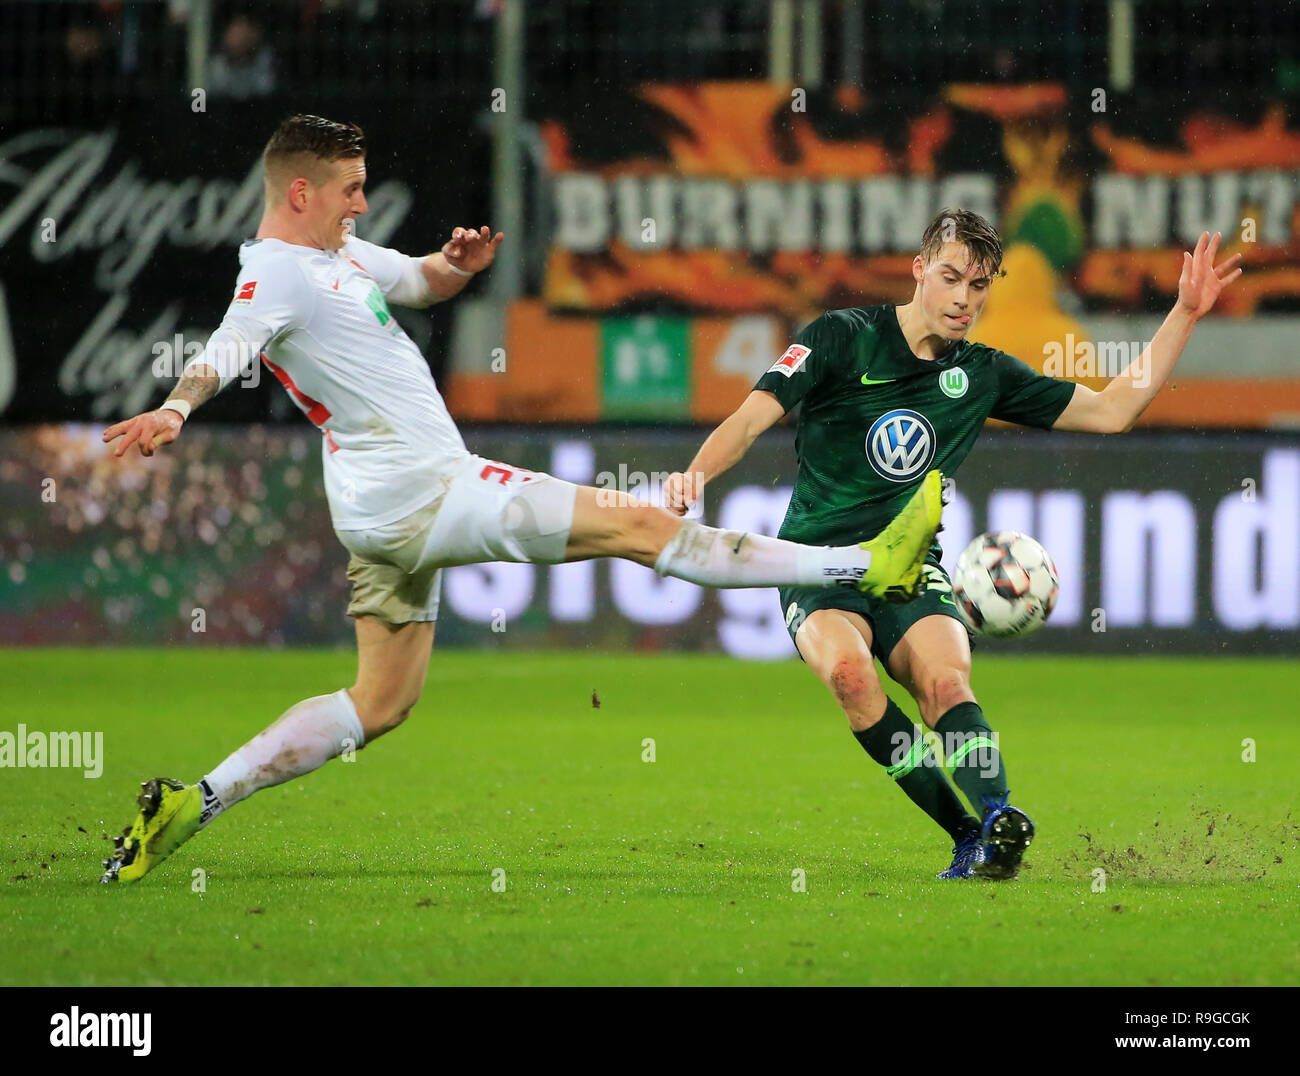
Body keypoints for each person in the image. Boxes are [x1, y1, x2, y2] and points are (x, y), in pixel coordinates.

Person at [99, 114, 943, 884]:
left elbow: (420, 283)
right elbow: (229, 344)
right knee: (643, 524)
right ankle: (864, 564)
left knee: (380, 703)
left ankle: (193, 802)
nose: (361, 202)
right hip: (424, 489)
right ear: (300, 191)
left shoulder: (338, 258)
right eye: (351, 187)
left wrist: (453, 267)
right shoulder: (277, 272)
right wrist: (176, 407)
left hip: (376, 510)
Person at [663, 209, 1242, 880]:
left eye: (980, 285)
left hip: (911, 570)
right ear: (918, 270)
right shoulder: (839, 338)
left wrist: (1185, 314)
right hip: (818, 565)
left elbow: (1113, 411)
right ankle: (965, 832)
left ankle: (998, 821)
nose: (965, 299)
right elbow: (748, 419)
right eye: (951, 279)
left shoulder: (984, 374)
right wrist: (692, 477)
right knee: (852, 677)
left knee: (944, 681)